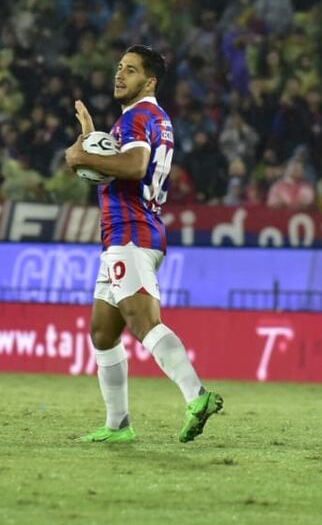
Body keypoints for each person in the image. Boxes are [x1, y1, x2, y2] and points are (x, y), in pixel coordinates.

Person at [64, 45, 223, 443]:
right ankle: (118, 424)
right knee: (102, 332)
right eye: (119, 67)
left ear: (148, 81)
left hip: (130, 233)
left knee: (144, 322)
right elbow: (124, 165)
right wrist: (90, 140)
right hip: (127, 233)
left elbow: (134, 167)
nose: (120, 75)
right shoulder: (156, 118)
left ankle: (197, 395)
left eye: (131, 70)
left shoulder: (137, 117)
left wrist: (81, 155)